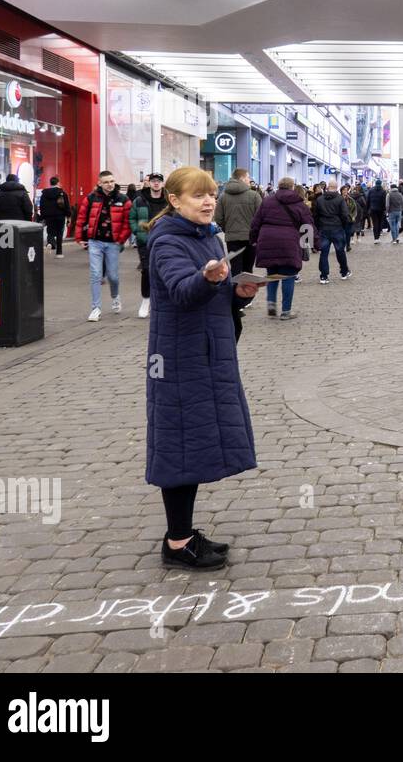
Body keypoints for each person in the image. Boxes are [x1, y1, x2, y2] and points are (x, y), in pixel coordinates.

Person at [145, 166, 259, 570]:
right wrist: (209, 278)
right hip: (179, 359)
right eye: (199, 196)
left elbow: (214, 294)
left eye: (211, 194)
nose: (209, 201)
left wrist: (237, 293)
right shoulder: (167, 242)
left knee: (192, 444)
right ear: (174, 201)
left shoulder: (207, 235)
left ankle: (184, 533)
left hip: (206, 355)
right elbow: (180, 290)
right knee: (178, 446)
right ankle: (177, 543)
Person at [250, 176, 314, 321]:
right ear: (292, 187)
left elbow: (256, 222)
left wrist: (253, 239)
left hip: (268, 241)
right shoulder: (298, 203)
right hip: (289, 243)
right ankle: (286, 311)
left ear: (278, 186)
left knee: (272, 275)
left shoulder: (267, 201)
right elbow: (307, 225)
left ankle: (271, 304)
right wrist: (311, 243)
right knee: (288, 276)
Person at [75, 170, 132, 321]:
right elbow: (81, 217)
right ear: (99, 183)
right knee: (95, 274)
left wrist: (121, 239)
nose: (110, 184)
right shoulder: (91, 198)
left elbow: (128, 222)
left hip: (113, 243)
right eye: (106, 182)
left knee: (113, 276)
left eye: (112, 181)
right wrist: (79, 237)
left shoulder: (123, 199)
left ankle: (115, 296)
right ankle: (96, 308)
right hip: (95, 241)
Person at [213, 168, 263, 336]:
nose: (250, 180)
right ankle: (245, 297)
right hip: (251, 237)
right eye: (248, 177)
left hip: (233, 237)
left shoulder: (223, 196)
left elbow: (218, 218)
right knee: (248, 267)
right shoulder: (254, 195)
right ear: (242, 178)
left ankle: (234, 297)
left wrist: (229, 229)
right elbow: (260, 216)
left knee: (235, 268)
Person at [129, 172, 167, 320]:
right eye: (153, 181)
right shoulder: (139, 200)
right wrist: (137, 232)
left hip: (165, 240)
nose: (156, 183)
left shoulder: (169, 200)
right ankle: (146, 300)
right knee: (146, 270)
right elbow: (132, 217)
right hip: (145, 241)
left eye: (159, 181)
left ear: (163, 183)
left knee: (164, 270)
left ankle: (162, 302)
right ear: (149, 183)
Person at [312, 180, 352, 283]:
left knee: (324, 253)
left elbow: (315, 215)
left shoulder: (320, 199)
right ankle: (344, 272)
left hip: (324, 228)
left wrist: (318, 227)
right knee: (340, 251)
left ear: (328, 187)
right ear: (337, 187)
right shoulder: (340, 199)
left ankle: (324, 276)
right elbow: (345, 215)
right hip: (337, 228)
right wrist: (343, 225)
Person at [38, 176, 71, 258]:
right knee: (60, 233)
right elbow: (67, 206)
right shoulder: (62, 193)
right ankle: (59, 253)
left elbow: (42, 206)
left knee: (50, 232)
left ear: (50, 183)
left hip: (49, 217)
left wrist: (43, 217)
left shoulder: (44, 194)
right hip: (60, 216)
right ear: (58, 183)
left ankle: (50, 243)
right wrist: (69, 216)